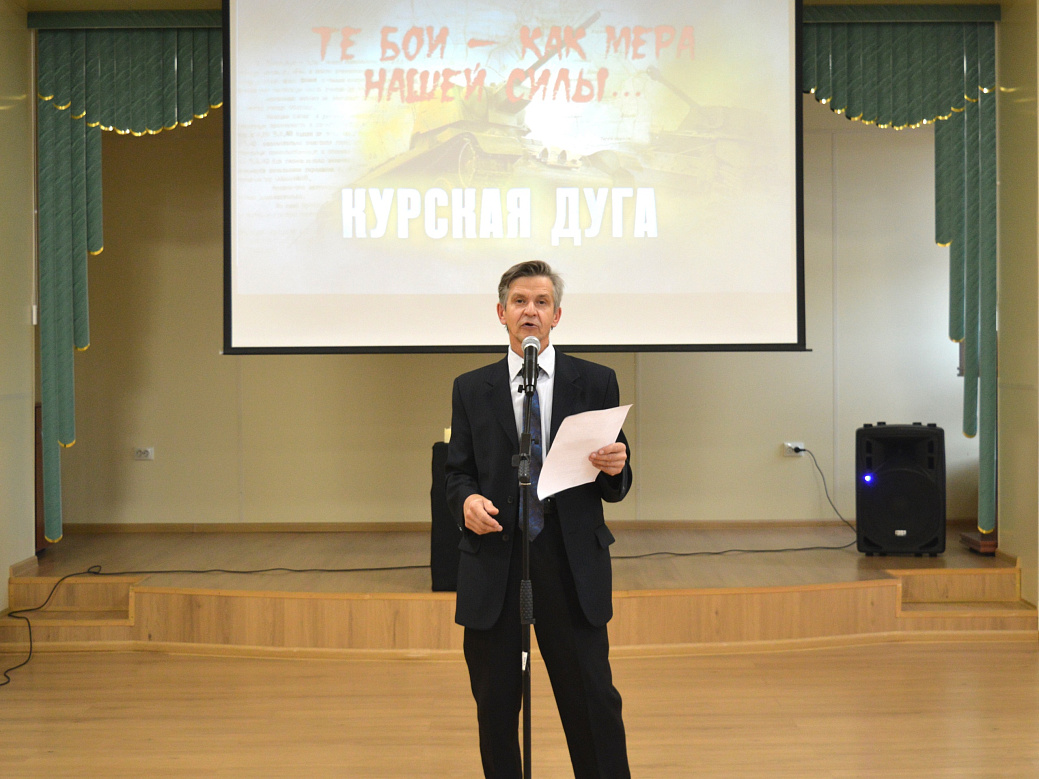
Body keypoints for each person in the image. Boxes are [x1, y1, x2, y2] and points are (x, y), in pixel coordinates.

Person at [446, 260, 632, 778]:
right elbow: (457, 473)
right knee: (496, 708)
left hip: (570, 562)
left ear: (557, 316)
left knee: (592, 702)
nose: (531, 310)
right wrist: (466, 502)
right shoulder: (471, 388)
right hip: (497, 559)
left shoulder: (595, 381)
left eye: (542, 302)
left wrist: (617, 467)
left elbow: (615, 480)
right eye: (520, 301)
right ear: (501, 312)